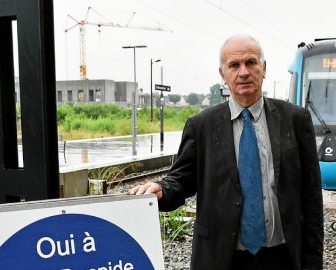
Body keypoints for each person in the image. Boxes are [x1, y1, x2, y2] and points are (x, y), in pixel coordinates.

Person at [130, 35, 323, 270]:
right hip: (222, 258)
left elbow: (312, 198)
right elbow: (182, 179)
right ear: (223, 75)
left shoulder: (295, 119)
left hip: (282, 257)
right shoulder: (201, 126)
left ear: (264, 68)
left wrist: (313, 262)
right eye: (234, 65)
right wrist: (162, 188)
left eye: (251, 62)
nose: (243, 72)